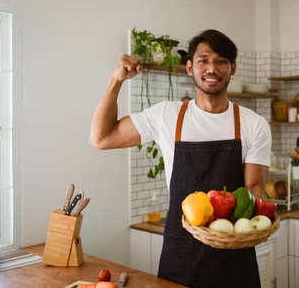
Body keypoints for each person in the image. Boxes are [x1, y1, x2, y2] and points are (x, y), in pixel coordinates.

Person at [90, 29, 271, 288]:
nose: (212, 68)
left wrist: (258, 226)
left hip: (235, 256)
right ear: (189, 68)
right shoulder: (167, 115)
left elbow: (254, 191)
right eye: (203, 60)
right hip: (181, 254)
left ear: (233, 68)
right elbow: (101, 138)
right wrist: (115, 80)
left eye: (221, 61)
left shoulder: (254, 124)